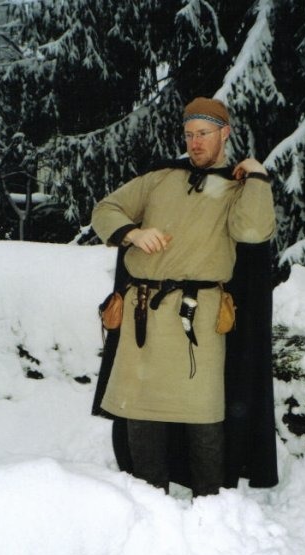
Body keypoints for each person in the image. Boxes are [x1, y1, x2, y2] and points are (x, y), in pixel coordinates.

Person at [91, 97, 277, 496]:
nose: (195, 143)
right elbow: (106, 209)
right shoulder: (160, 178)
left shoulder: (236, 187)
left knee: (203, 411)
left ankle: (209, 503)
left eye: (203, 134)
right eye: (189, 134)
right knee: (141, 409)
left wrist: (258, 177)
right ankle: (149, 498)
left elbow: (253, 231)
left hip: (200, 316)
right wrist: (133, 233)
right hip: (143, 313)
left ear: (224, 134)